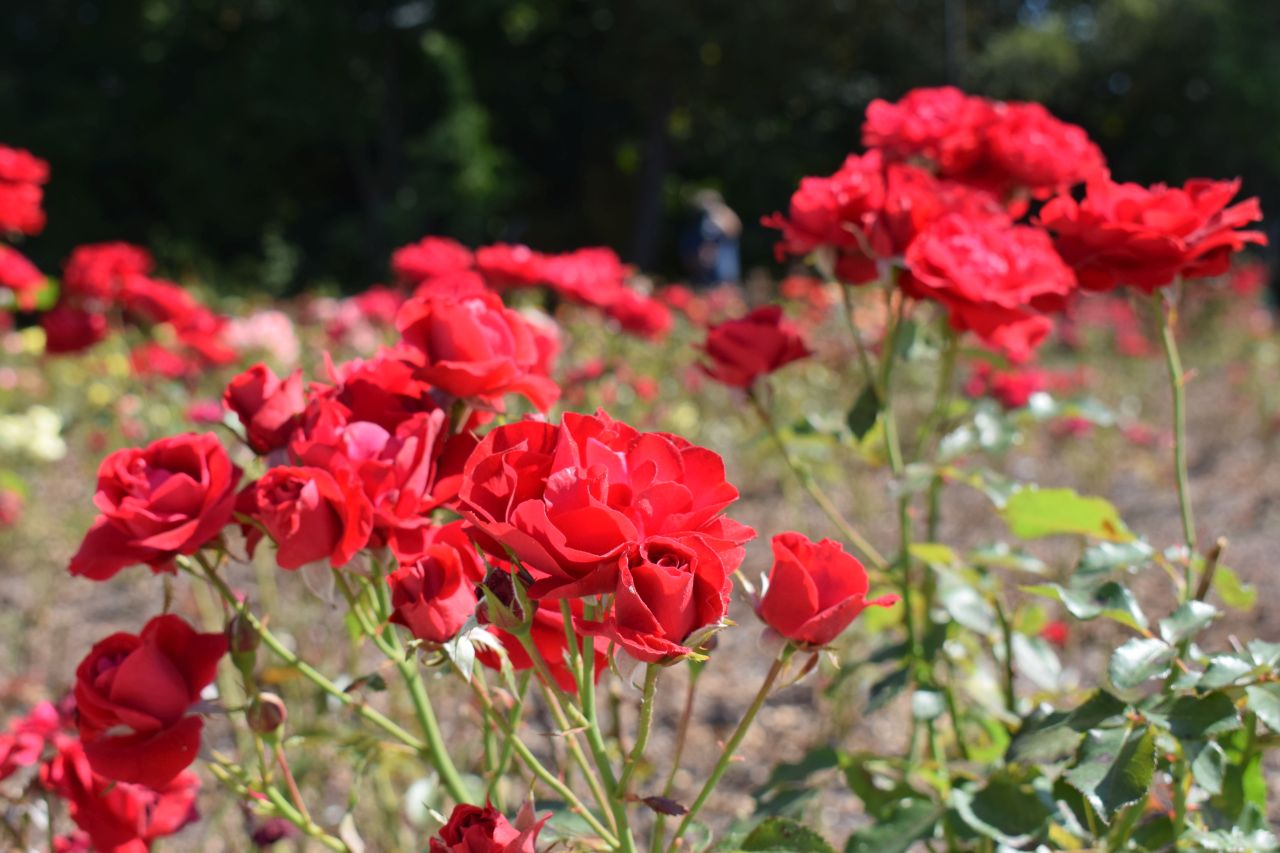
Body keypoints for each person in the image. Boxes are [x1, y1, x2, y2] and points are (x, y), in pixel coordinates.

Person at [680, 189, 742, 287]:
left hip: (726, 279)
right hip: (702, 278)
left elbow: (735, 228)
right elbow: (689, 257)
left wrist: (721, 211)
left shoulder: (724, 219)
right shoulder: (695, 227)